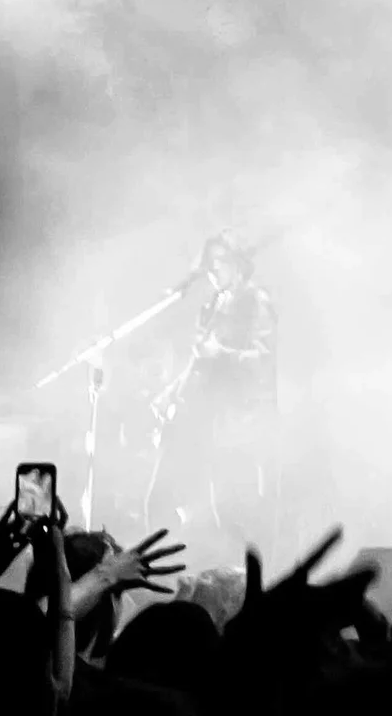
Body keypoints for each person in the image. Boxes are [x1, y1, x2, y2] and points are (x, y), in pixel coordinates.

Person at [146, 233, 277, 550]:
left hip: (230, 423)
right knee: (160, 501)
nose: (211, 270)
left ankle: (240, 572)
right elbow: (200, 361)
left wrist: (222, 353)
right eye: (207, 263)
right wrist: (170, 392)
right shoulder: (212, 304)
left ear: (237, 262)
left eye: (218, 261)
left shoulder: (254, 300)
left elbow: (264, 359)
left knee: (230, 512)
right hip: (195, 416)